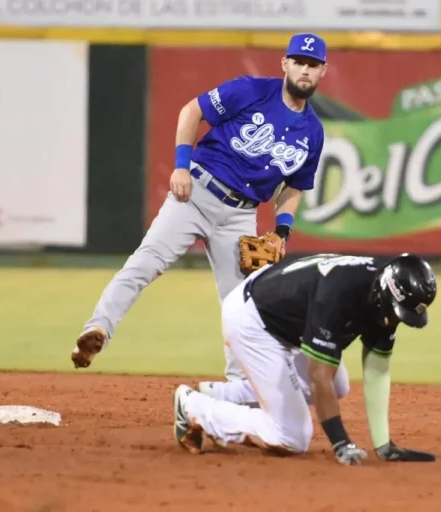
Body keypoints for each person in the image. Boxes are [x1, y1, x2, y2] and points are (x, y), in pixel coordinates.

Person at [71, 33, 338, 392]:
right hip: (196, 193)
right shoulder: (251, 90)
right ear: (285, 64)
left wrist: (282, 231)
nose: (305, 70)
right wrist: (181, 165)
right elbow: (192, 111)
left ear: (322, 71)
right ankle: (98, 328)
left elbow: (295, 186)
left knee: (240, 306)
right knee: (145, 263)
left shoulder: (313, 132)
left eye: (313, 64)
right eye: (299, 62)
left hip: (240, 216)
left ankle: (238, 389)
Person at [172, 253, 438, 465]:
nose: (396, 319)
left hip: (288, 315)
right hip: (253, 321)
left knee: (339, 386)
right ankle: (195, 408)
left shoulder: (385, 293)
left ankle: (221, 395)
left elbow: (377, 370)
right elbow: (319, 375)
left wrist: (384, 446)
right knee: (292, 436)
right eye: (397, 310)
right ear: (385, 292)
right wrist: (341, 443)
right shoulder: (340, 294)